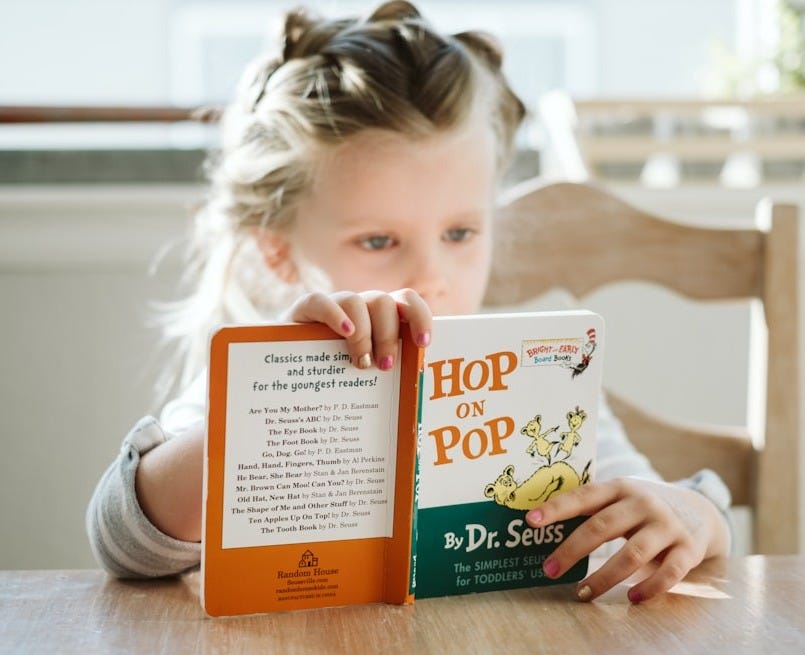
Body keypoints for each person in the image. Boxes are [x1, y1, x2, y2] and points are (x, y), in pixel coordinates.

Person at [86, 0, 731, 604]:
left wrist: (693, 515)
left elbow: (675, 509)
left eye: (460, 233)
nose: (431, 276)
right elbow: (122, 542)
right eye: (378, 240)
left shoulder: (541, 377)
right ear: (279, 251)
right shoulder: (255, 377)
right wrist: (267, 406)